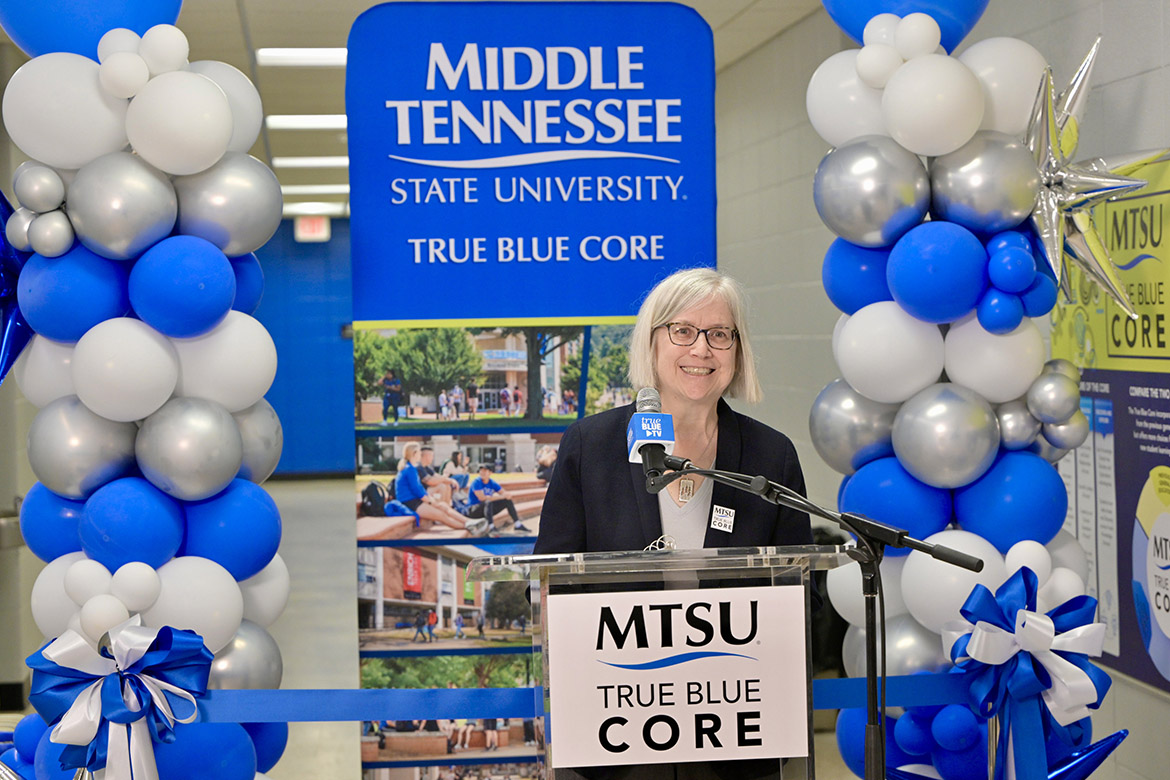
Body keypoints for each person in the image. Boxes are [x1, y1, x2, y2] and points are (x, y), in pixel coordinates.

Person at [534, 268, 814, 780]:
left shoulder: (771, 455)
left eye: (719, 334)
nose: (701, 350)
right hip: (618, 728)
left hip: (734, 731)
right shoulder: (591, 446)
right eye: (682, 331)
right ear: (653, 340)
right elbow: (552, 581)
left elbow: (802, 591)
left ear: (737, 349)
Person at [395, 442, 478, 532]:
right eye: (419, 452)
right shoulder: (410, 469)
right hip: (410, 503)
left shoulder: (411, 468)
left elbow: (419, 488)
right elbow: (416, 490)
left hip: (416, 500)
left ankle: (470, 521)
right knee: (442, 515)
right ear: (414, 453)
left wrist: (430, 499)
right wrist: (430, 501)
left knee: (444, 506)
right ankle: (468, 527)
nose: (420, 454)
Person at [467, 464, 530, 534]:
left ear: (490, 473)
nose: (482, 472)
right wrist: (501, 497)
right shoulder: (476, 482)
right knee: (488, 502)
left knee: (507, 501)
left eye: (485, 470)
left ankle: (517, 524)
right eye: (481, 471)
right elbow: (482, 498)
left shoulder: (491, 482)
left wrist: (506, 496)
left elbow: (505, 494)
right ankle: (491, 528)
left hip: (486, 509)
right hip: (473, 510)